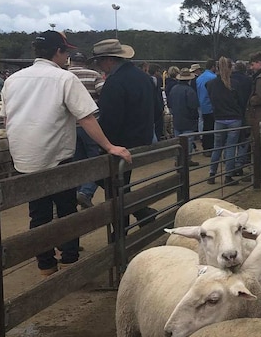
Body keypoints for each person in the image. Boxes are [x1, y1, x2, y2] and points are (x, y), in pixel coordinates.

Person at [2, 31, 131, 276]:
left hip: (24, 157)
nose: (68, 56)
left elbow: (7, 118)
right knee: (66, 209)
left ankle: (45, 263)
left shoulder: (13, 80)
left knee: (38, 212)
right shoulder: (64, 78)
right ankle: (69, 259)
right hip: (56, 155)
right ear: (58, 52)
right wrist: (109, 146)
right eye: (66, 52)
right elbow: (86, 117)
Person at [90, 37, 159, 228]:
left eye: (99, 61)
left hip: (119, 143)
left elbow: (110, 119)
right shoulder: (144, 78)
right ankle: (142, 213)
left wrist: (104, 145)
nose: (99, 65)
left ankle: (122, 232)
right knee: (118, 186)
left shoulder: (114, 83)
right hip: (141, 138)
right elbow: (158, 108)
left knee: (113, 187)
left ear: (109, 60)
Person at [68, 52, 106, 209]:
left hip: (70, 127)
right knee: (96, 161)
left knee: (78, 163)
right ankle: (86, 192)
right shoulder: (93, 75)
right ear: (84, 62)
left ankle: (77, 195)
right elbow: (104, 95)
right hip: (91, 125)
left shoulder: (63, 75)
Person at [205, 57, 246, 185]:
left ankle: (212, 174)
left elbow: (211, 100)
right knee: (230, 147)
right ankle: (228, 175)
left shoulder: (211, 84)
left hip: (219, 118)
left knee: (217, 147)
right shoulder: (235, 84)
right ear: (229, 68)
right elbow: (241, 101)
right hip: (234, 118)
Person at [168, 67, 200, 167]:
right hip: (188, 121)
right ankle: (186, 160)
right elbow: (193, 106)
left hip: (177, 119)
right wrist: (194, 117)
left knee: (178, 141)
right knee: (188, 142)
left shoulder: (174, 89)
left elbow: (170, 104)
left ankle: (178, 160)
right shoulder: (189, 91)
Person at [195, 59, 216, 155]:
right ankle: (210, 148)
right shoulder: (213, 77)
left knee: (205, 127)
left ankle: (205, 147)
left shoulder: (199, 78)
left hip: (202, 105)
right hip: (211, 106)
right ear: (213, 67)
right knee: (211, 128)